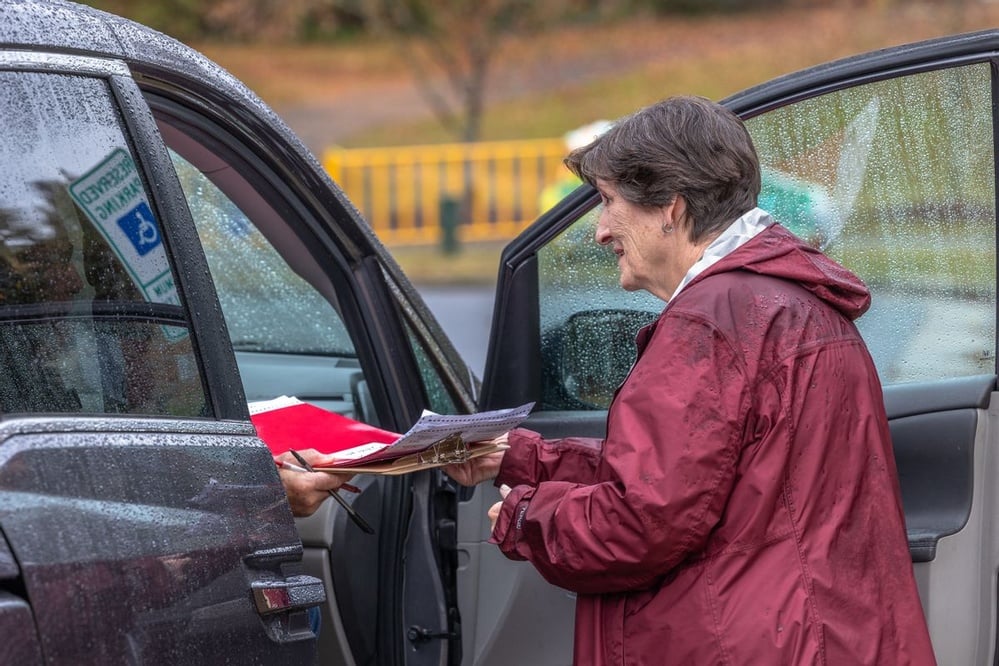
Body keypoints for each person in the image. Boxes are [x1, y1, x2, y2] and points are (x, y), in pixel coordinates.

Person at [446, 96, 936, 665]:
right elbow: (699, 479)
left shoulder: (709, 324)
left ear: (669, 208)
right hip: (819, 633)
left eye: (608, 202)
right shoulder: (794, 301)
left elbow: (641, 523)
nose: (601, 231)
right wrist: (522, 458)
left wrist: (529, 517)